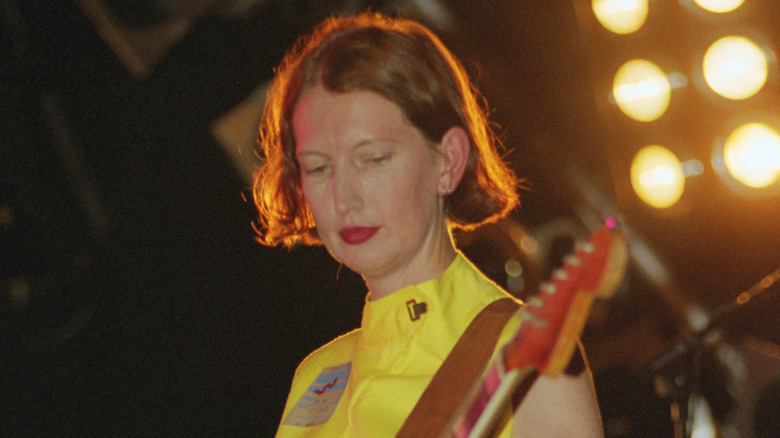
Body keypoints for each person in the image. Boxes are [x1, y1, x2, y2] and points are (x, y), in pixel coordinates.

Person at [253, 11, 603, 437]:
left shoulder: (529, 355)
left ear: (448, 160)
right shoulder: (318, 372)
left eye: (374, 159)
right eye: (318, 167)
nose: (343, 197)